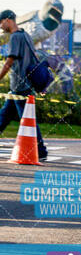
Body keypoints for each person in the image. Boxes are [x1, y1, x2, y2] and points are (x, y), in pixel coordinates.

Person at [0, 9, 48, 160]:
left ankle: (41, 151)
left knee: (27, 120)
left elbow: (9, 61)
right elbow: (34, 60)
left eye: (1, 23)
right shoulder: (26, 35)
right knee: (4, 116)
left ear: (8, 20)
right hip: (23, 84)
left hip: (20, 86)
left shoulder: (15, 38)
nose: (1, 27)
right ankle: (41, 151)